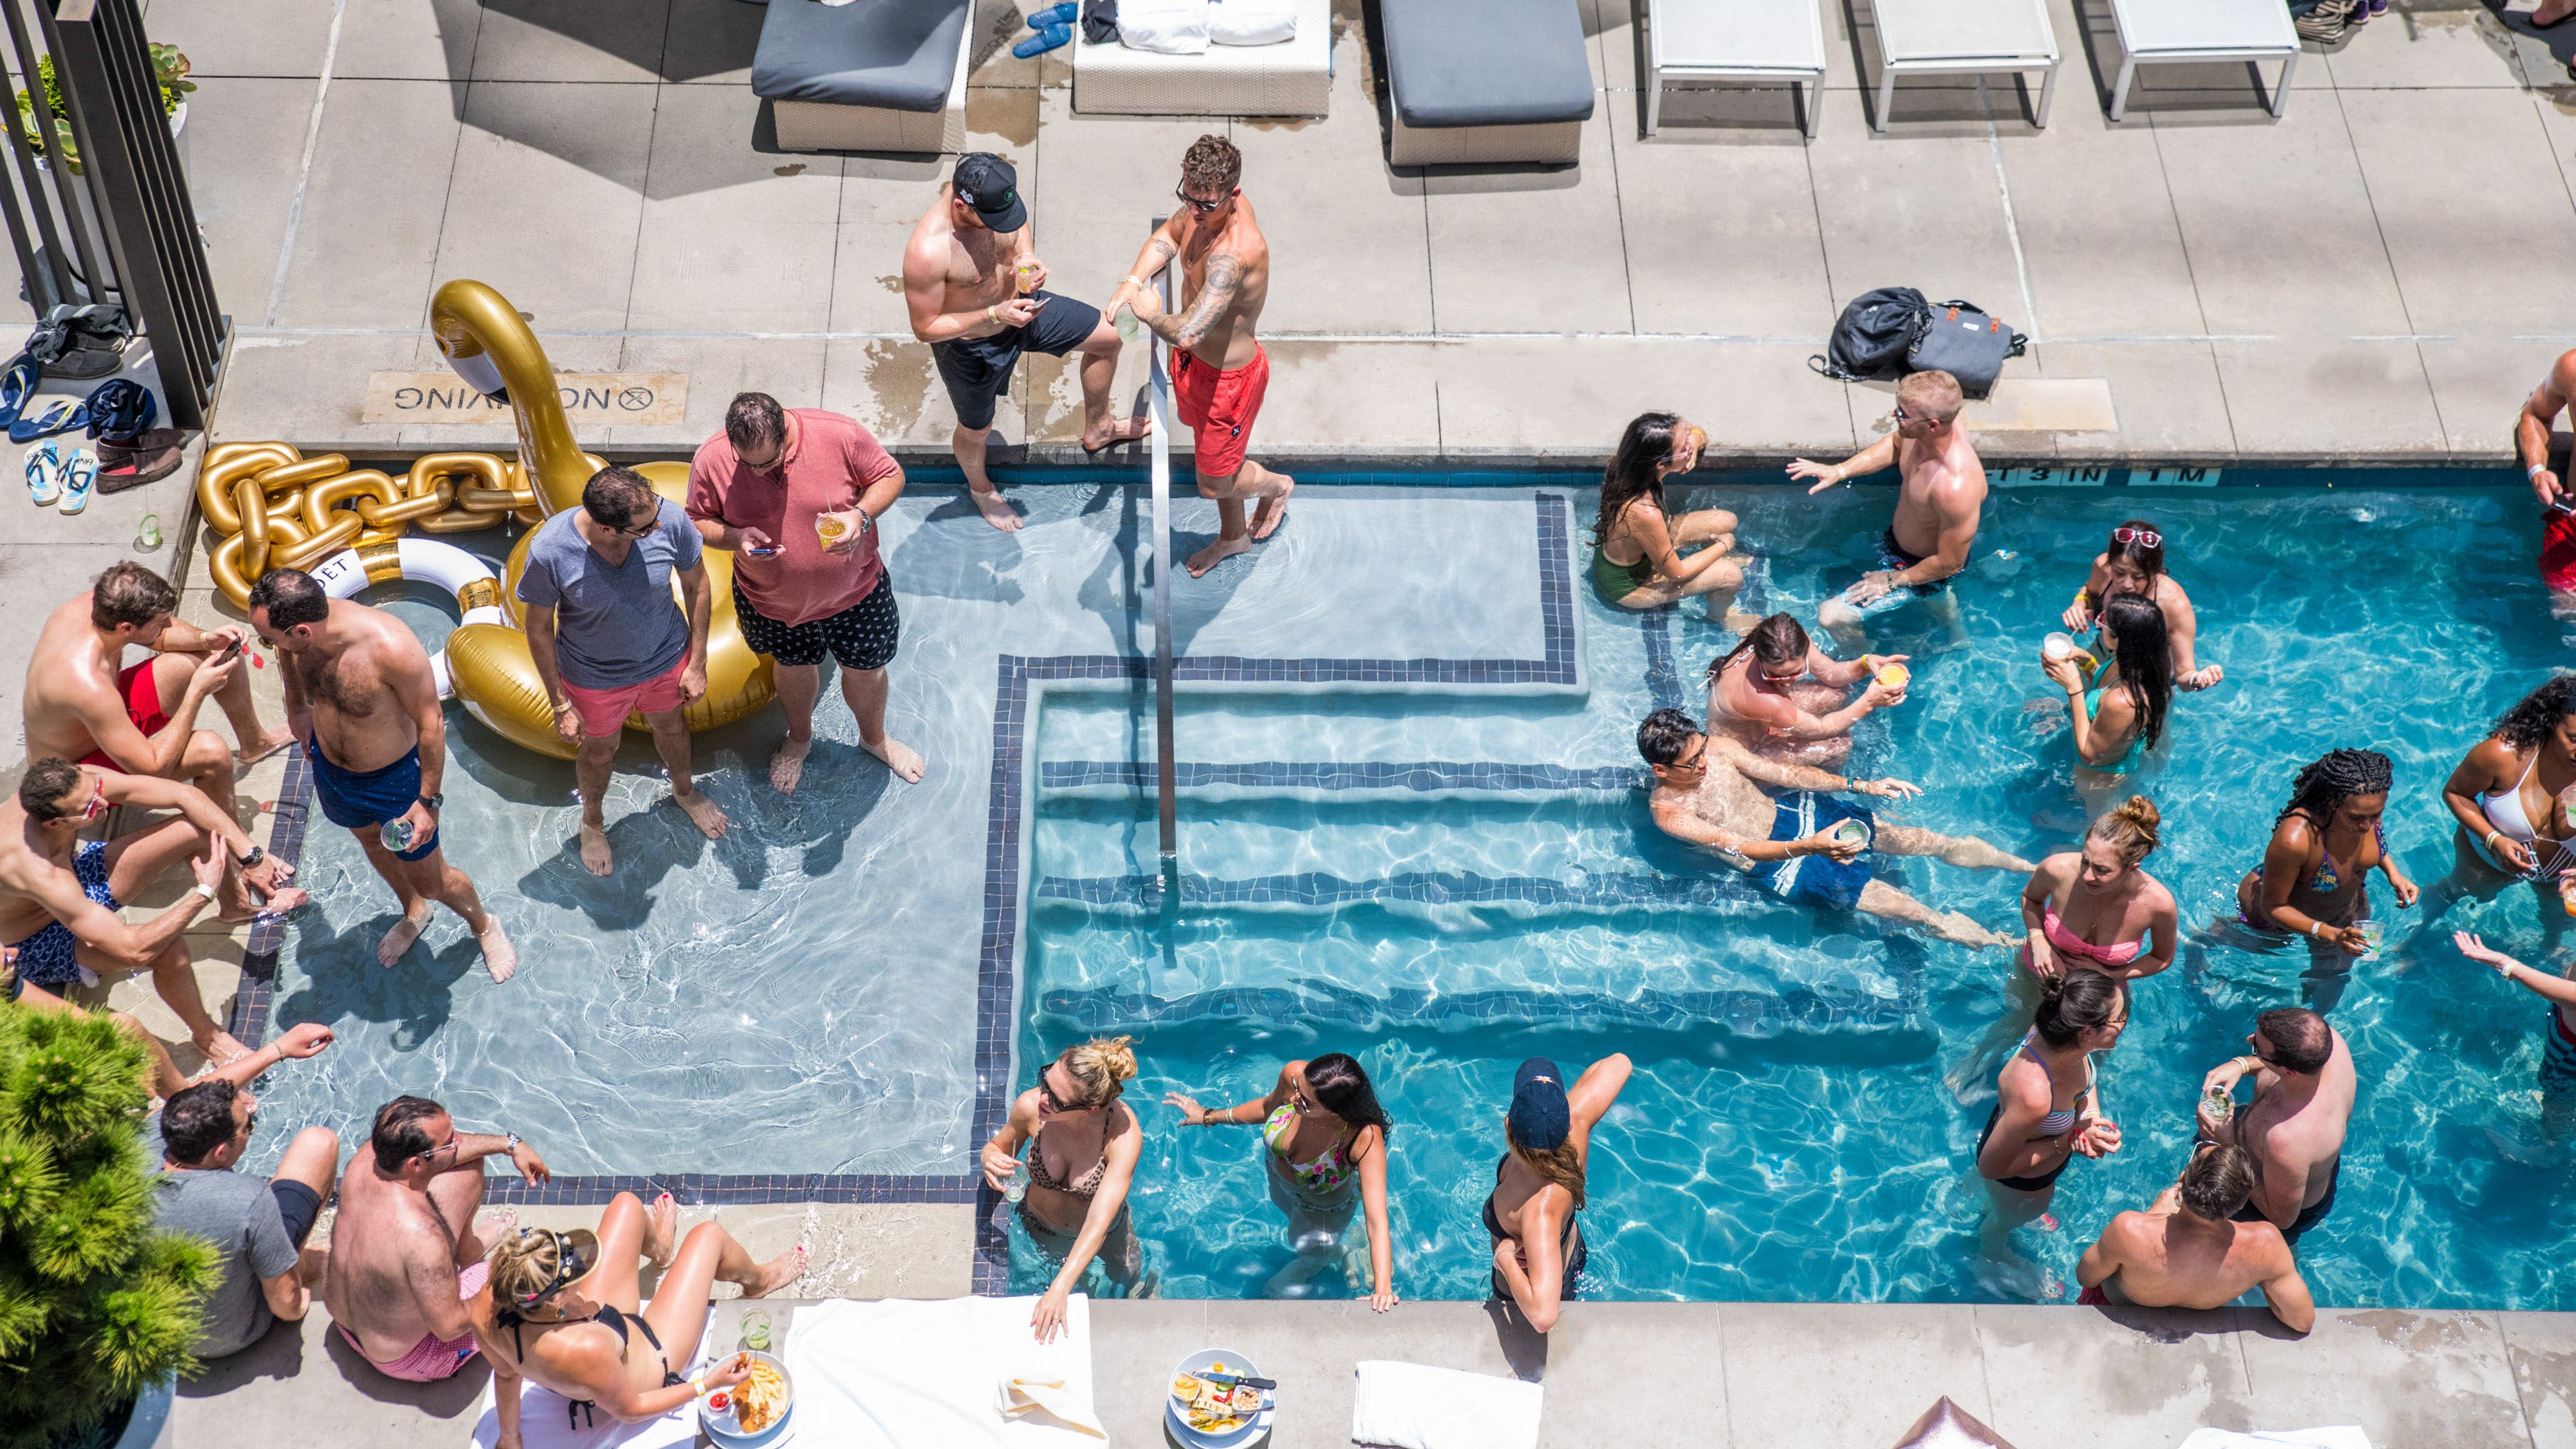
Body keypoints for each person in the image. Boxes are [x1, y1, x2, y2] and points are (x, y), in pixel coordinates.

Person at [247, 568, 514, 981]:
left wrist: (427, 802)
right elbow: (286, 656)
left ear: (301, 631)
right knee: (372, 840)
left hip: (394, 783)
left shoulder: (390, 648)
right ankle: (414, 912)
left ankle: (483, 924)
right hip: (333, 772)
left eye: (269, 639)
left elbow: (431, 724)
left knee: (433, 881)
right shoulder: (299, 639)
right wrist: (297, 708)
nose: (269, 647)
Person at [685, 392, 921, 793]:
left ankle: (874, 740)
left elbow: (890, 475)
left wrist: (860, 516)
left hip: (858, 593)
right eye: (747, 464)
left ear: (786, 431)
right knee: (792, 666)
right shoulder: (712, 458)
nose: (757, 472)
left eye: (768, 462)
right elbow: (696, 520)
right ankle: (799, 737)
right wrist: (735, 537)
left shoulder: (839, 435)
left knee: (866, 672)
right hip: (770, 600)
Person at [1, 758, 302, 1069]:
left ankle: (236, 906)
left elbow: (185, 795)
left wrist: (252, 857)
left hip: (76, 877)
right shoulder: (39, 871)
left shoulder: (74, 786)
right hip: (39, 938)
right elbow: (134, 950)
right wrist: (204, 892)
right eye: (90, 809)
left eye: (97, 790)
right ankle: (209, 1037)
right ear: (54, 824)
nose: (103, 804)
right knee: (166, 948)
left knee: (196, 829)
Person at [1641, 708, 2030, 947]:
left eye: (1702, 750)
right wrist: (1813, 846)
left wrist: (1860, 785)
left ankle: (2029, 868)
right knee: (1915, 914)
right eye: (1692, 762)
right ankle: (2004, 944)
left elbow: (1782, 773)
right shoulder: (1670, 813)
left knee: (1927, 841)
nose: (1704, 763)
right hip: (1783, 863)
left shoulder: (1717, 749)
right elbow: (1740, 847)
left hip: (1795, 814)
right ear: (1661, 769)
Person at [902, 152, 1144, 532]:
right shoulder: (929, 251)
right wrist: (994, 314)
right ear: (962, 206)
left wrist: (1027, 257)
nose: (1003, 224)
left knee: (1109, 338)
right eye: (993, 220)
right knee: (976, 431)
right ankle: (981, 490)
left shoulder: (994, 197)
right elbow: (925, 327)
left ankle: (1100, 429)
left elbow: (1017, 224)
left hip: (1024, 310)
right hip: (971, 347)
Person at [517, 464, 726, 876]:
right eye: (644, 529)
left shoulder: (668, 520)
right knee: (599, 750)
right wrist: (559, 703)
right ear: (606, 528)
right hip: (593, 676)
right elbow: (538, 628)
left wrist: (698, 662)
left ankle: (685, 792)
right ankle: (592, 823)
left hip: (666, 657)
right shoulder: (551, 551)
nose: (658, 527)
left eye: (656, 513)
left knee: (671, 727)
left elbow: (697, 585)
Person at [478, 1193, 804, 1444]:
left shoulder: (491, 1305)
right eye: (576, 1271)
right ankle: (760, 1281)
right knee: (709, 1236)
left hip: (599, 1326)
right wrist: (708, 1384)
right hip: (651, 1357)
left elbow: (506, 1374)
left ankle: (661, 1249)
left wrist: (510, 1439)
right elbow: (630, 1410)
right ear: (556, 1299)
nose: (584, 1263)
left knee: (627, 1206)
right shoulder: (584, 1349)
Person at [1109, 135, 1289, 578]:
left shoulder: (1234, 254)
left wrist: (1150, 314)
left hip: (1228, 383)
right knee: (1214, 458)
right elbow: (1168, 235)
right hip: (1193, 367)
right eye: (1187, 197)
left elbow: (1189, 332)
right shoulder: (1200, 210)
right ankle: (1234, 537)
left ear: (1234, 195)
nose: (1193, 211)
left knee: (1213, 483)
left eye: (1205, 204)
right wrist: (1132, 282)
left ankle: (1277, 487)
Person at [21, 561, 294, 808]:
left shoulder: (100, 605)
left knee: (221, 655)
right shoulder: (88, 685)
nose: (167, 626)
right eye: (160, 623)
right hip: (75, 771)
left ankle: (256, 743)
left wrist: (205, 639)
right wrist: (197, 692)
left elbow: (159, 636)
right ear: (126, 629)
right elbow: (153, 768)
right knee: (210, 751)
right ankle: (221, 838)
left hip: (101, 717)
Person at [323, 1095, 551, 1383]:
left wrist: (510, 1145)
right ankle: (475, 1268)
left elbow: (461, 1153)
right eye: (450, 1141)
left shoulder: (365, 1158)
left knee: (468, 1167)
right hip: (409, 1358)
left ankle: (468, 1251)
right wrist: (507, 1285)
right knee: (522, 1272)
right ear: (416, 1164)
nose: (459, 1141)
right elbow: (450, 1328)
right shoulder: (423, 1235)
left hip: (347, 1326)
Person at [148, 1022, 339, 1359]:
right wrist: (298, 1302)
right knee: (318, 1143)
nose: (250, 1126)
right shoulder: (247, 1199)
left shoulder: (142, 1141)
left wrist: (279, 1049)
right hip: (228, 1337)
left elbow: (190, 1098)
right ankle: (296, 1262)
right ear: (221, 1152)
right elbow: (286, 1305)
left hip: (152, 1328)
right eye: (248, 1126)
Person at [1165, 1052, 1399, 1311]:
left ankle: (1327, 1256)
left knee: (1303, 1246)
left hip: (1323, 1208)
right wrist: (1208, 1116)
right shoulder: (1295, 1075)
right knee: (1299, 1234)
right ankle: (1340, 1248)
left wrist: (1383, 1290)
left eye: (1306, 1102)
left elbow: (1377, 1220)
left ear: (1336, 1110)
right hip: (1281, 1184)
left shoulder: (1361, 1137)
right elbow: (1266, 1109)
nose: (1295, 1099)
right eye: (1298, 1089)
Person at [1788, 370, 1984, 651]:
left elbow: (1950, 563)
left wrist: (1892, 580)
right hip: (1900, 546)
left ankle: (1863, 658)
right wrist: (1839, 471)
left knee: (1832, 617)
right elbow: (1895, 444)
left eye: (1903, 414)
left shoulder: (1955, 486)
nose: (1895, 415)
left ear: (1933, 425)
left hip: (1920, 567)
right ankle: (1958, 636)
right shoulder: (1920, 432)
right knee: (1936, 596)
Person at [980, 1036, 1147, 1342]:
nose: (1042, 1099)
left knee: (1129, 1282)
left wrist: (1060, 1289)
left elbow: (1097, 1224)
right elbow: (998, 1146)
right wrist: (989, 1157)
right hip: (1035, 1224)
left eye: (1056, 1100)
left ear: (1089, 1108)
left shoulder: (1123, 1136)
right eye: (1045, 1083)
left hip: (1104, 1234)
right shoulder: (1031, 1107)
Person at [2237, 750, 2416, 1009]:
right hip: (2282, 917)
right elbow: (2273, 907)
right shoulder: (2297, 838)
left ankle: (2317, 1022)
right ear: (2332, 802)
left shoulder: (2366, 809)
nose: (2367, 826)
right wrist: (2329, 933)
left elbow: (2372, 847)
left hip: (2344, 909)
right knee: (2259, 946)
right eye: (2356, 818)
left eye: (2376, 814)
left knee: (2335, 978)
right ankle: (2205, 940)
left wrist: (2394, 875)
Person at [2074, 1142, 2315, 1333]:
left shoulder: (2129, 1229)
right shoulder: (2266, 1245)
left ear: (2182, 1179)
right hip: (2207, 1312)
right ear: (2242, 1202)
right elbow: (2301, 1321)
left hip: (2121, 1308)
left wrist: (2154, 1217)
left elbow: (2086, 1276)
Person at [1486, 1054, 1627, 1333]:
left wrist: (1504, 1258)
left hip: (1525, 1292)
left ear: (1508, 1123)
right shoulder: (1578, 1123)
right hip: (1565, 1250)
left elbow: (1543, 1317)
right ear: (1568, 1124)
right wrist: (1555, 1113)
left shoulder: (1538, 1210)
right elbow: (1620, 1063)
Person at [1976, 972, 2127, 1222]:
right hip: (2020, 1182)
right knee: (2008, 1221)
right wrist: (2070, 1138)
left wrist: (2090, 1118)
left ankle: (1978, 1192)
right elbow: (1990, 1168)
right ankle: (1995, 1238)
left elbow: (2084, 1085)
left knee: (2007, 1202)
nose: (2124, 1023)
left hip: (2015, 1134)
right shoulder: (2035, 1096)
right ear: (2088, 1032)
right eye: (2120, 1017)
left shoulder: (2060, 1035)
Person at [2195, 1007, 2351, 1247]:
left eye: (2257, 1048)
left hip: (2275, 1202)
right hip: (2285, 1163)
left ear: (2288, 1072)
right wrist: (2241, 1065)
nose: (2250, 1040)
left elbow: (2282, 1219)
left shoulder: (2288, 1139)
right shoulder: (2328, 1043)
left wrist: (2227, 1145)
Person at [2435, 676, 2576, 921]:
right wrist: (2493, 839)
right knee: (2453, 896)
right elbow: (2455, 793)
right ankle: (2415, 933)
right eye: (2573, 739)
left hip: (2562, 876)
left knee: (2557, 923)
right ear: (2551, 722)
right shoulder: (2503, 755)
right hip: (2488, 862)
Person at [1589, 412, 1746, 617]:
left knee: (1727, 520)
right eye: (1684, 448)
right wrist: (1724, 545)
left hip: (1641, 551)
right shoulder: (1644, 511)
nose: (1689, 447)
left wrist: (1693, 443)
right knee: (1730, 574)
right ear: (1661, 464)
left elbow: (1697, 431)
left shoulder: (1633, 462)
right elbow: (1677, 573)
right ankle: (1720, 617)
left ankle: (1711, 561)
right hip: (1632, 588)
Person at [1706, 612, 1908, 768]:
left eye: (1796, 673)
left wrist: (1865, 662)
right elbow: (1823, 728)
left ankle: (1794, 730)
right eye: (1775, 675)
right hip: (1746, 751)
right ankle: (1816, 787)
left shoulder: (1787, 644)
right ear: (1759, 657)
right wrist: (1869, 702)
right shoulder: (1762, 697)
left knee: (1838, 692)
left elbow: (1831, 673)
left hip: (1763, 720)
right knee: (1839, 743)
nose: (1787, 682)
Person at [2019, 796, 2178, 982]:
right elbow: (2031, 899)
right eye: (2085, 861)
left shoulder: (2158, 905)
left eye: (2101, 870)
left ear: (2131, 868)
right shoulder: (2056, 869)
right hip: (2039, 970)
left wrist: (2111, 974)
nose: (2087, 876)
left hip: (2101, 988)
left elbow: (2161, 958)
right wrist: (2038, 939)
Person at [2059, 520, 2221, 691]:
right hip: (2103, 650)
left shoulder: (2174, 604)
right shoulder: (2103, 567)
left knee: (2108, 707)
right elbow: (2090, 591)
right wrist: (2078, 605)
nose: (2126, 584)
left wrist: (2196, 679)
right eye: (2119, 572)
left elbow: (2183, 676)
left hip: (2145, 675)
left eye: (2138, 577)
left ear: (2156, 571)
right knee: (2076, 697)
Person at [2042, 594, 2170, 780]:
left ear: (2121, 640)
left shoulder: (2124, 702)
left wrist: (2073, 687)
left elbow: (2089, 756)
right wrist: (2088, 663)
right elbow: (2104, 690)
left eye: (2103, 622)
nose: (2099, 625)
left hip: (2098, 779)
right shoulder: (2135, 664)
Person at [2455, 931, 2576, 1098]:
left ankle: (2554, 1112)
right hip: (2564, 1015)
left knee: (2556, 1091)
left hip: (2568, 1051)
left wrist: (2509, 965)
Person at [2511, 347, 2576, 616]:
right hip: (2571, 532)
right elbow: (2535, 415)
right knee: (2567, 614)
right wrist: (2538, 470)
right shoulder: (2573, 368)